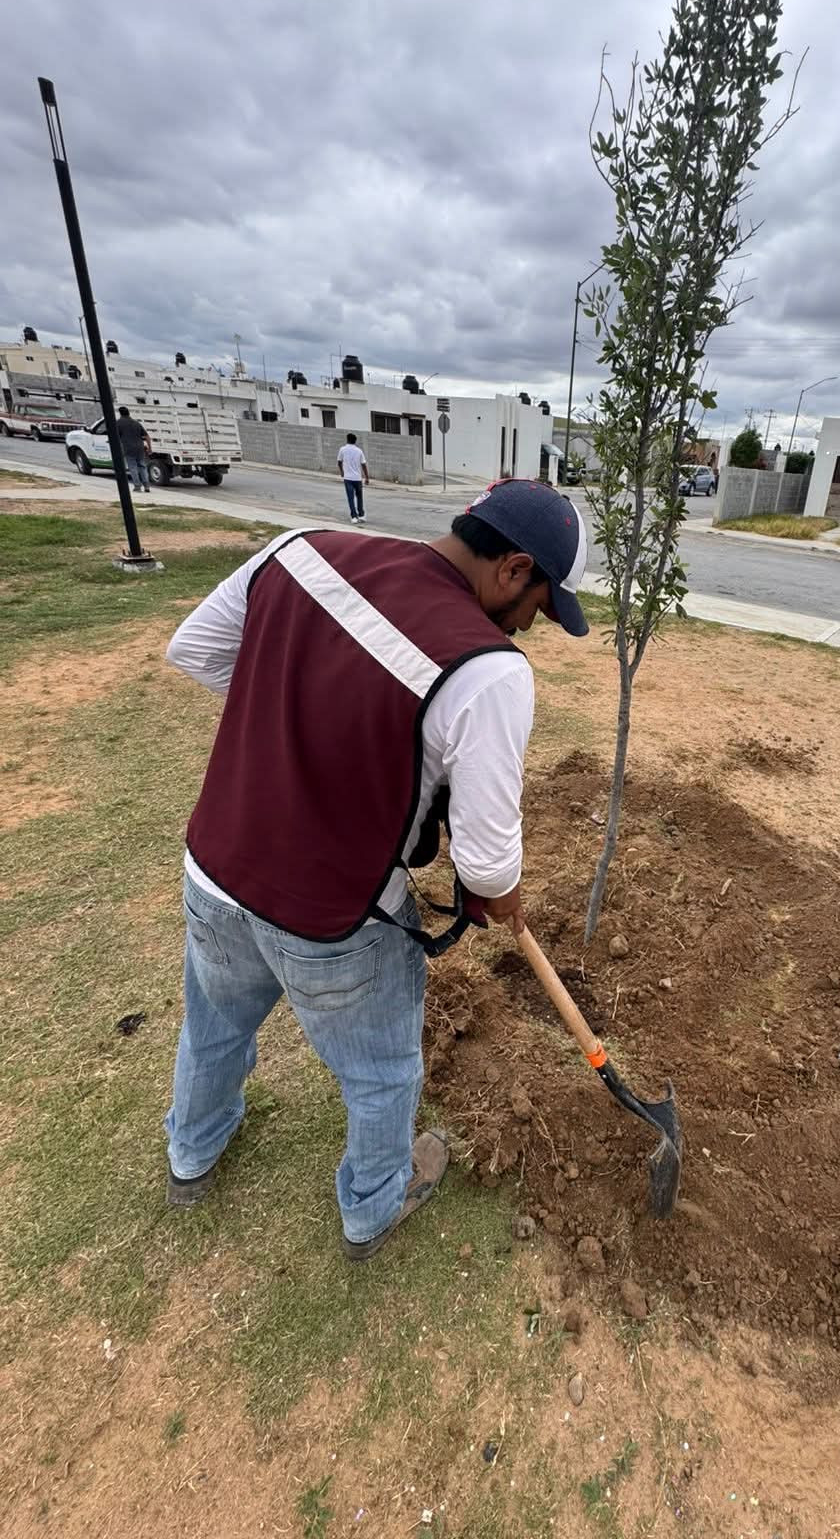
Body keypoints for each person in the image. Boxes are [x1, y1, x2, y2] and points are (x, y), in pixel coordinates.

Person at [162, 479, 589, 1261]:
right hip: (333, 916)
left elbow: (195, 648)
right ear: (515, 568)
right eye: (540, 606)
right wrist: (503, 897)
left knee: (215, 1023)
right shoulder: (489, 670)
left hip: (215, 871)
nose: (532, 625)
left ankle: (192, 1151)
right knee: (383, 1071)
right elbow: (487, 861)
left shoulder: (301, 551)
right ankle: (374, 1207)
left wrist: (300, 727)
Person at [117, 405, 152, 494]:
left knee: (133, 467)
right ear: (129, 413)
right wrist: (150, 448)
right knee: (142, 466)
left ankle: (137, 486)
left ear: (120, 413)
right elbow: (147, 436)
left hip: (128, 448)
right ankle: (147, 486)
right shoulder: (136, 423)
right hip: (140, 448)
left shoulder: (119, 423)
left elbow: (116, 437)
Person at [337, 432, 369, 523]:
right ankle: (361, 515)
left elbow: (339, 462)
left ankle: (354, 517)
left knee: (350, 498)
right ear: (355, 441)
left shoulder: (342, 449)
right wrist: (367, 477)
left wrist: (342, 472)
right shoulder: (359, 451)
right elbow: (363, 464)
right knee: (359, 497)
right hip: (357, 478)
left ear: (347, 440)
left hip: (348, 478)